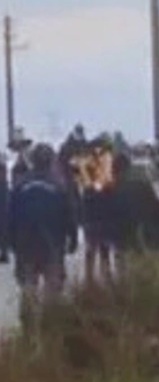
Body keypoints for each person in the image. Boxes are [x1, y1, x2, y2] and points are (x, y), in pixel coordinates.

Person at [6, 144, 76, 322]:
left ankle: (28, 328)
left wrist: (10, 242)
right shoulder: (59, 185)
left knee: (28, 285)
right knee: (52, 287)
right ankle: (50, 327)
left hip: (25, 244)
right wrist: (72, 238)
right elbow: (70, 213)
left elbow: (9, 216)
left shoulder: (19, 185)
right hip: (52, 243)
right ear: (51, 161)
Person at [109, 150, 159, 263]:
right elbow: (157, 209)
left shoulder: (110, 189)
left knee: (122, 264)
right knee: (140, 264)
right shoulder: (141, 186)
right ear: (129, 167)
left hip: (121, 236)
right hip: (142, 234)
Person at [74, 134, 117, 284]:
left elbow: (82, 189)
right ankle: (105, 277)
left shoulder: (85, 166)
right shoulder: (106, 166)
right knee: (102, 248)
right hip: (103, 214)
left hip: (91, 214)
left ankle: (90, 279)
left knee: (91, 248)